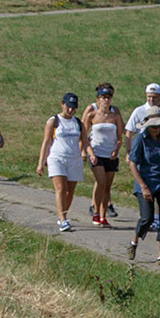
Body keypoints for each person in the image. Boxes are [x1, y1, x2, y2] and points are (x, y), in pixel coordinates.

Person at [125, 112, 160, 265]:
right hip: (145, 180)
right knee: (147, 218)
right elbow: (133, 164)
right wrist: (143, 186)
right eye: (154, 126)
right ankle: (134, 241)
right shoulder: (140, 139)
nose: (157, 129)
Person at [36, 94, 84, 229]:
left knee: (70, 190)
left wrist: (88, 153)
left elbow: (84, 141)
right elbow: (46, 142)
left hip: (74, 159)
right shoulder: (54, 121)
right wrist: (41, 162)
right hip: (57, 158)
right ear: (62, 104)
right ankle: (63, 220)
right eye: (68, 107)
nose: (70, 110)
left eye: (73, 108)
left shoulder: (78, 123)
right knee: (61, 188)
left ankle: (63, 214)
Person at [83, 86, 123, 226]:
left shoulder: (115, 116)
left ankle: (103, 215)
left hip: (111, 154)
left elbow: (119, 137)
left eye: (108, 98)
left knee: (107, 186)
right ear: (98, 100)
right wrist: (87, 152)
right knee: (101, 181)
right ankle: (95, 210)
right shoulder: (92, 115)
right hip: (96, 152)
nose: (105, 100)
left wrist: (116, 149)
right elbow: (84, 135)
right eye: (102, 98)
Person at [124, 84, 160, 155]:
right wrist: (128, 152)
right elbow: (129, 132)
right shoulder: (138, 111)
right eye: (149, 96)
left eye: (154, 97)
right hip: (144, 150)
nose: (151, 100)